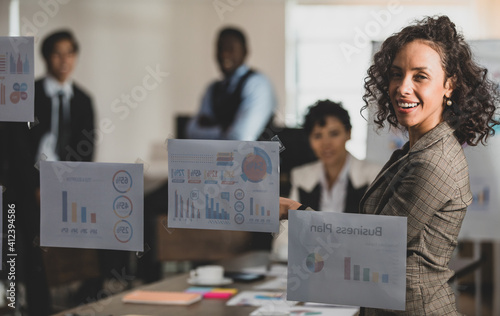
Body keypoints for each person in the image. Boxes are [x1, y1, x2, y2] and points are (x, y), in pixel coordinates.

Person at [280, 16, 499, 315]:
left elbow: (373, 248)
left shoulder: (433, 161)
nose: (402, 88)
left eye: (420, 76)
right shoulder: (418, 148)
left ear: (449, 85)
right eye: (397, 74)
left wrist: (295, 211)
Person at [271, 100, 381, 260]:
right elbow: (286, 238)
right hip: (312, 266)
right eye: (317, 136)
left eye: (334, 133)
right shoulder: (301, 176)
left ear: (348, 133)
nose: (326, 144)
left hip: (355, 265)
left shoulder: (374, 175)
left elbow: (376, 237)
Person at [185, 26, 276, 141]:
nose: (224, 55)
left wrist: (211, 128)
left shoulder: (258, 84)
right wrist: (224, 129)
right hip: (218, 158)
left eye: (230, 49)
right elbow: (191, 132)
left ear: (245, 52)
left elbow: (241, 138)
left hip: (255, 158)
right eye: (220, 49)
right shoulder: (213, 88)